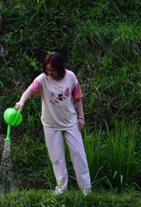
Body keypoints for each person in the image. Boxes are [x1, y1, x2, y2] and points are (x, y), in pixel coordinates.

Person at [15, 52, 91, 195]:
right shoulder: (43, 79)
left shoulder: (71, 77)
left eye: (52, 70)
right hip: (51, 124)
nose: (49, 73)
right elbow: (30, 90)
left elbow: (78, 98)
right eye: (47, 70)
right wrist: (21, 102)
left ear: (60, 68)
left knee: (79, 155)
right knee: (57, 158)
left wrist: (81, 117)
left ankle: (86, 189)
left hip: (70, 122)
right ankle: (61, 188)